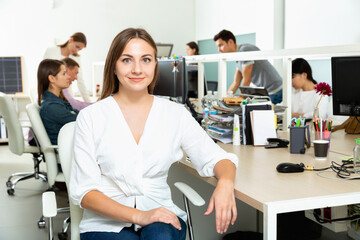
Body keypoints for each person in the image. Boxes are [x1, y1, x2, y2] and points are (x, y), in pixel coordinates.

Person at [69, 28, 238, 240]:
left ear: (156, 65)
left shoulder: (175, 114)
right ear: (113, 65)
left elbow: (217, 158)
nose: (137, 69)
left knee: (161, 236)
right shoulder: (91, 117)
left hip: (160, 213)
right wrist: (140, 216)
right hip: (105, 222)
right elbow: (84, 192)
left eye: (146, 60)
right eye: (127, 60)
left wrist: (225, 183)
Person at [213, 29, 283, 104]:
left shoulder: (245, 50)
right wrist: (225, 99)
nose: (219, 50)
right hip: (266, 91)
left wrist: (239, 100)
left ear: (230, 42)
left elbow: (247, 80)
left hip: (275, 90)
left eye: (221, 45)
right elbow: (236, 82)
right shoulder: (238, 56)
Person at [37, 59, 79, 145]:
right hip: (68, 149)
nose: (68, 77)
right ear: (52, 78)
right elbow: (79, 120)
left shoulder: (56, 102)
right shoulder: (52, 106)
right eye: (64, 74)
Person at [43, 32, 91, 102]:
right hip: (51, 92)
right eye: (77, 46)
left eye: (79, 49)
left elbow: (80, 81)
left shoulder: (76, 58)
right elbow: (43, 73)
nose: (76, 51)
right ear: (71, 40)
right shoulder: (51, 51)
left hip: (67, 95)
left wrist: (88, 101)